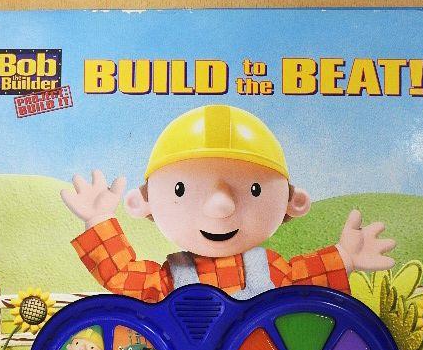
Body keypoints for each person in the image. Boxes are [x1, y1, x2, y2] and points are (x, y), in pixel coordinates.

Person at [61, 105, 395, 302]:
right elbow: (123, 276)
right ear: (141, 202)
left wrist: (345, 256)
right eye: (181, 189)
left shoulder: (272, 270)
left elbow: (303, 278)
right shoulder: (169, 278)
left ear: (293, 202)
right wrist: (98, 219)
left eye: (253, 189)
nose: (221, 207)